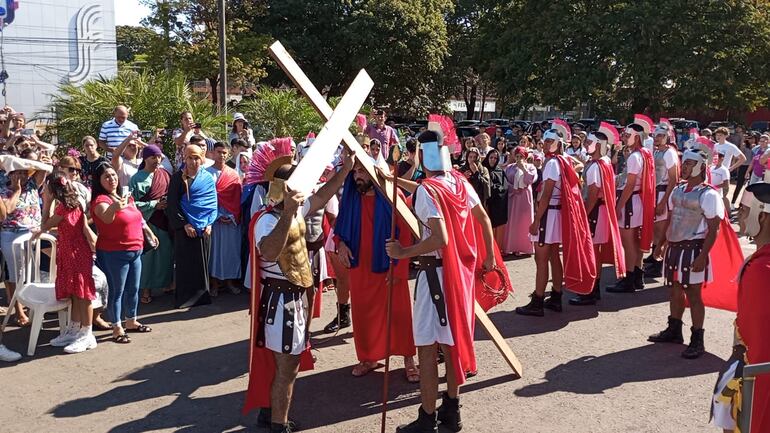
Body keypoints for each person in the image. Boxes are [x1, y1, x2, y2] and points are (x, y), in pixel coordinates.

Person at [385, 130, 497, 433]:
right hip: (458, 276)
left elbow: (439, 237)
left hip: (434, 276)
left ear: (423, 154)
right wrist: (488, 259)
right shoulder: (459, 183)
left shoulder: (427, 191)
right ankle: (452, 411)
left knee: (426, 348)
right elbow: (483, 219)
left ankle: (427, 418)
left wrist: (403, 251)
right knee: (451, 344)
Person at [242, 149, 353, 433]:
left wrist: (344, 170)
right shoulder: (266, 220)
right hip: (280, 299)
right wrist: (288, 211)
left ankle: (270, 414)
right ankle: (279, 424)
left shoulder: (296, 209)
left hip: (295, 295)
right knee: (287, 366)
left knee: (284, 363)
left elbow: (322, 197)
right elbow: (267, 251)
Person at [334, 160, 418, 380]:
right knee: (363, 314)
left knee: (399, 314)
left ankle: (409, 359)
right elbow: (340, 228)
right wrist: (341, 244)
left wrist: (399, 269)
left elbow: (406, 235)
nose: (357, 176)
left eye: (361, 171)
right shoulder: (351, 198)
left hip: (389, 265)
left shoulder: (394, 196)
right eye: (354, 172)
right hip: (360, 266)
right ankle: (369, 358)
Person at [647, 148, 724, 359]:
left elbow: (714, 228)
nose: (686, 166)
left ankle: (697, 339)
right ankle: (674, 330)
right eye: (685, 162)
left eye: (690, 163)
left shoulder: (709, 194)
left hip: (693, 249)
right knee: (674, 290)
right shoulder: (678, 190)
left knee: (693, 294)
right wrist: (661, 244)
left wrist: (702, 256)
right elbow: (672, 220)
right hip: (674, 248)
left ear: (700, 166)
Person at [516, 124, 595, 316]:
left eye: (550, 141)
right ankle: (556, 295)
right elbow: (578, 165)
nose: (545, 145)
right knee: (552, 257)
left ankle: (538, 300)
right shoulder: (563, 160)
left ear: (558, 143)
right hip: (556, 214)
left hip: (548, 215)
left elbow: (546, 194)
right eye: (545, 141)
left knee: (541, 259)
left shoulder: (553, 163)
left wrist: (536, 221)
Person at [710, 181, 770, 432]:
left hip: (756, 371)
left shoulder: (761, 270)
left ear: (763, 215)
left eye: (745, 211)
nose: (740, 217)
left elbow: (761, 341)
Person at [91, 162, 157, 343]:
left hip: (135, 249)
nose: (111, 179)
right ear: (99, 181)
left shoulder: (125, 195)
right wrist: (115, 207)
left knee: (133, 289)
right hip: (113, 252)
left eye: (113, 175)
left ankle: (131, 321)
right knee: (116, 291)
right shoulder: (100, 201)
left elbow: (138, 217)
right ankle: (117, 327)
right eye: (106, 177)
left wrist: (149, 232)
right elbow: (105, 217)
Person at [33, 171, 98, 353]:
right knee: (75, 293)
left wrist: (46, 202)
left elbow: (44, 223)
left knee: (83, 293)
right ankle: (75, 328)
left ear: (53, 189)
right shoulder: (71, 205)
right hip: (71, 252)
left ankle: (87, 334)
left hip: (76, 253)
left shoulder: (62, 209)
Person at [570, 125, 626, 305]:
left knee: (592, 251)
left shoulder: (596, 166)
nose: (586, 144)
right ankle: (594, 288)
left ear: (598, 144)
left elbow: (593, 193)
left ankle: (591, 290)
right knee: (597, 251)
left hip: (595, 211)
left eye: (589, 142)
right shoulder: (605, 162)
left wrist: (584, 214)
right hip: (601, 211)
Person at [0, 155, 52, 327]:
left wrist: (35, 160)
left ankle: (32, 305)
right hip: (12, 234)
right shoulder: (4, 187)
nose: (22, 175)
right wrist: (16, 189)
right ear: (10, 173)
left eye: (24, 171)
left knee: (32, 273)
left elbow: (46, 169)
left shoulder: (31, 184)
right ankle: (19, 311)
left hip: (34, 233)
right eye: (18, 172)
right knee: (16, 275)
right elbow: (7, 210)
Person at [166, 145, 218, 309]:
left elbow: (212, 202)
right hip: (186, 227)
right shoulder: (177, 178)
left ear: (202, 158)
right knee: (185, 264)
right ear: (184, 158)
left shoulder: (208, 178)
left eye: (196, 158)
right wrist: (184, 224)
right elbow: (172, 205)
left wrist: (210, 222)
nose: (193, 161)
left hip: (205, 228)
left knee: (202, 263)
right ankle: (185, 298)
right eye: (190, 158)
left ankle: (202, 296)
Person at [606, 123, 655, 293]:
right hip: (636, 201)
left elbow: (630, 184)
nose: (625, 138)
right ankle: (636, 277)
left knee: (629, 243)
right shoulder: (644, 154)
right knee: (634, 241)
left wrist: (618, 206)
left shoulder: (636, 156)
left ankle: (628, 279)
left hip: (630, 203)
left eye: (628, 135)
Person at [129, 145, 173, 304]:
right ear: (145, 158)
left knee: (165, 255)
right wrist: (153, 204)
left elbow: (172, 194)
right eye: (153, 157)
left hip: (164, 220)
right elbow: (131, 204)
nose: (157, 160)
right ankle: (146, 289)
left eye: (159, 157)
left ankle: (166, 284)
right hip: (146, 223)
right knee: (148, 258)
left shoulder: (165, 175)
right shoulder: (136, 178)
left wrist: (167, 203)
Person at [643, 124, 680, 278]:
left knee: (660, 230)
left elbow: (674, 178)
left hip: (663, 193)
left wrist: (663, 201)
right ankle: (654, 255)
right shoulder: (657, 151)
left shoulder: (669, 153)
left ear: (667, 137)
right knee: (654, 230)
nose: (657, 138)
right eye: (656, 135)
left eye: (661, 136)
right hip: (656, 192)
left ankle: (659, 264)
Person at [206, 142, 243, 295]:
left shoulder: (234, 174)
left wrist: (230, 215)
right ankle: (214, 284)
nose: (221, 155)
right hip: (212, 218)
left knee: (230, 251)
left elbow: (237, 197)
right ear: (213, 153)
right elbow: (204, 197)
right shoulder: (206, 173)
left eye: (224, 152)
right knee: (214, 252)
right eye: (218, 151)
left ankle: (230, 282)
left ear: (228, 154)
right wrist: (218, 215)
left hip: (231, 218)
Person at [502, 147, 537, 256]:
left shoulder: (531, 167)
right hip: (513, 197)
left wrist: (524, 169)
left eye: (521, 156)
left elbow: (530, 180)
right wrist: (513, 188)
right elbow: (506, 181)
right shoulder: (510, 168)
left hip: (525, 197)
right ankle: (511, 247)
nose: (519, 159)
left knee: (524, 221)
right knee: (512, 222)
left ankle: (524, 247)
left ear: (525, 157)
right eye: (517, 156)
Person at [482, 149, 508, 248]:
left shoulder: (500, 171)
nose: (493, 160)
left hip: (499, 204)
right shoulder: (484, 170)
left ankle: (498, 251)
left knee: (499, 227)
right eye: (491, 157)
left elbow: (505, 186)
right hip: (488, 204)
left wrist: (497, 188)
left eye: (495, 158)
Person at [731, 133, 754, 205]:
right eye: (749, 138)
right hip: (743, 167)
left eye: (753, 138)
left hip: (752, 168)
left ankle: (743, 204)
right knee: (739, 185)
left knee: (749, 187)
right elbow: (739, 153)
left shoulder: (756, 147)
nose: (751, 140)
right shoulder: (744, 145)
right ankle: (733, 202)